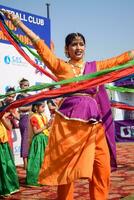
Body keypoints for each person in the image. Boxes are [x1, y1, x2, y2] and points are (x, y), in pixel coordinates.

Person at [4, 12, 134, 200]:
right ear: (67, 49)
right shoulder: (61, 67)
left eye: (81, 44)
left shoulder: (94, 67)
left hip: (94, 126)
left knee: (101, 168)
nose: (78, 47)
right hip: (69, 128)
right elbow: (39, 45)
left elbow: (120, 59)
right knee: (66, 173)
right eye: (74, 44)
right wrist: (17, 23)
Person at [26, 101, 49, 186]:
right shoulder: (33, 117)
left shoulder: (44, 116)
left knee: (44, 160)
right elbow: (35, 131)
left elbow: (47, 128)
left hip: (45, 139)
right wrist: (46, 126)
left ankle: (43, 178)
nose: (43, 108)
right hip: (38, 140)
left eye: (44, 107)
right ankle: (33, 180)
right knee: (36, 160)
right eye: (42, 107)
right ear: (36, 107)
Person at [0, 111, 19, 197]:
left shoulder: (2, 118)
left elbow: (9, 128)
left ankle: (10, 186)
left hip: (4, 143)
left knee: (9, 165)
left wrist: (3, 118)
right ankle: (3, 189)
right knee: (2, 166)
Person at [16, 78, 31, 170]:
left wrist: (29, 107)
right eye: (24, 85)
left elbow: (31, 107)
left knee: (30, 140)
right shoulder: (19, 96)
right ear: (20, 86)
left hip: (31, 118)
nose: (26, 87)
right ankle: (25, 163)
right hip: (24, 118)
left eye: (28, 85)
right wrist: (28, 107)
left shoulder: (30, 95)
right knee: (25, 140)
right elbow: (20, 108)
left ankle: (30, 161)